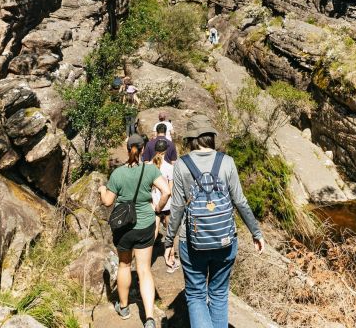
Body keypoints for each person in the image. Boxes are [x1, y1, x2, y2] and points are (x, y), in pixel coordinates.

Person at [163, 117, 265, 328]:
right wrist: (256, 233)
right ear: (210, 136)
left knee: (196, 295)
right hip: (224, 240)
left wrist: (168, 241)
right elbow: (240, 201)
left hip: (191, 242)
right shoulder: (226, 162)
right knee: (219, 294)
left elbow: (177, 208)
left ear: (191, 139)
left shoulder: (182, 165)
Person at [102, 134, 171, 328]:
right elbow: (166, 191)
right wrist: (157, 208)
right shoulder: (150, 170)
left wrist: (101, 189)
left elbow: (107, 201)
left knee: (124, 265)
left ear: (127, 149)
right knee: (144, 270)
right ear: (142, 150)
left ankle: (123, 307)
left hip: (124, 228)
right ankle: (149, 318)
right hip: (145, 225)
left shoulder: (117, 174)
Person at [148, 138, 175, 245]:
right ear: (166, 151)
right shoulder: (169, 167)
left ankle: (147, 254)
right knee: (170, 233)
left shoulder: (148, 166)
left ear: (155, 150)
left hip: (153, 202)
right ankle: (171, 255)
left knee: (153, 232)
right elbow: (170, 188)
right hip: (167, 203)